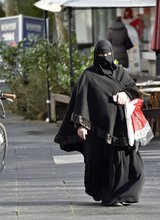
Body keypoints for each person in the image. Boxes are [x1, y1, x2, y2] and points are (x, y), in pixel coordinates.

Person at [54, 39, 144, 206]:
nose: (104, 57)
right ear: (95, 56)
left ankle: (124, 195)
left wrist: (126, 95)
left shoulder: (120, 73)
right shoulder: (88, 76)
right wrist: (81, 125)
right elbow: (81, 101)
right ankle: (109, 196)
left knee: (127, 161)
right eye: (101, 54)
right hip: (97, 131)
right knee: (101, 162)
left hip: (120, 128)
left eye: (107, 54)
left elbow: (134, 90)